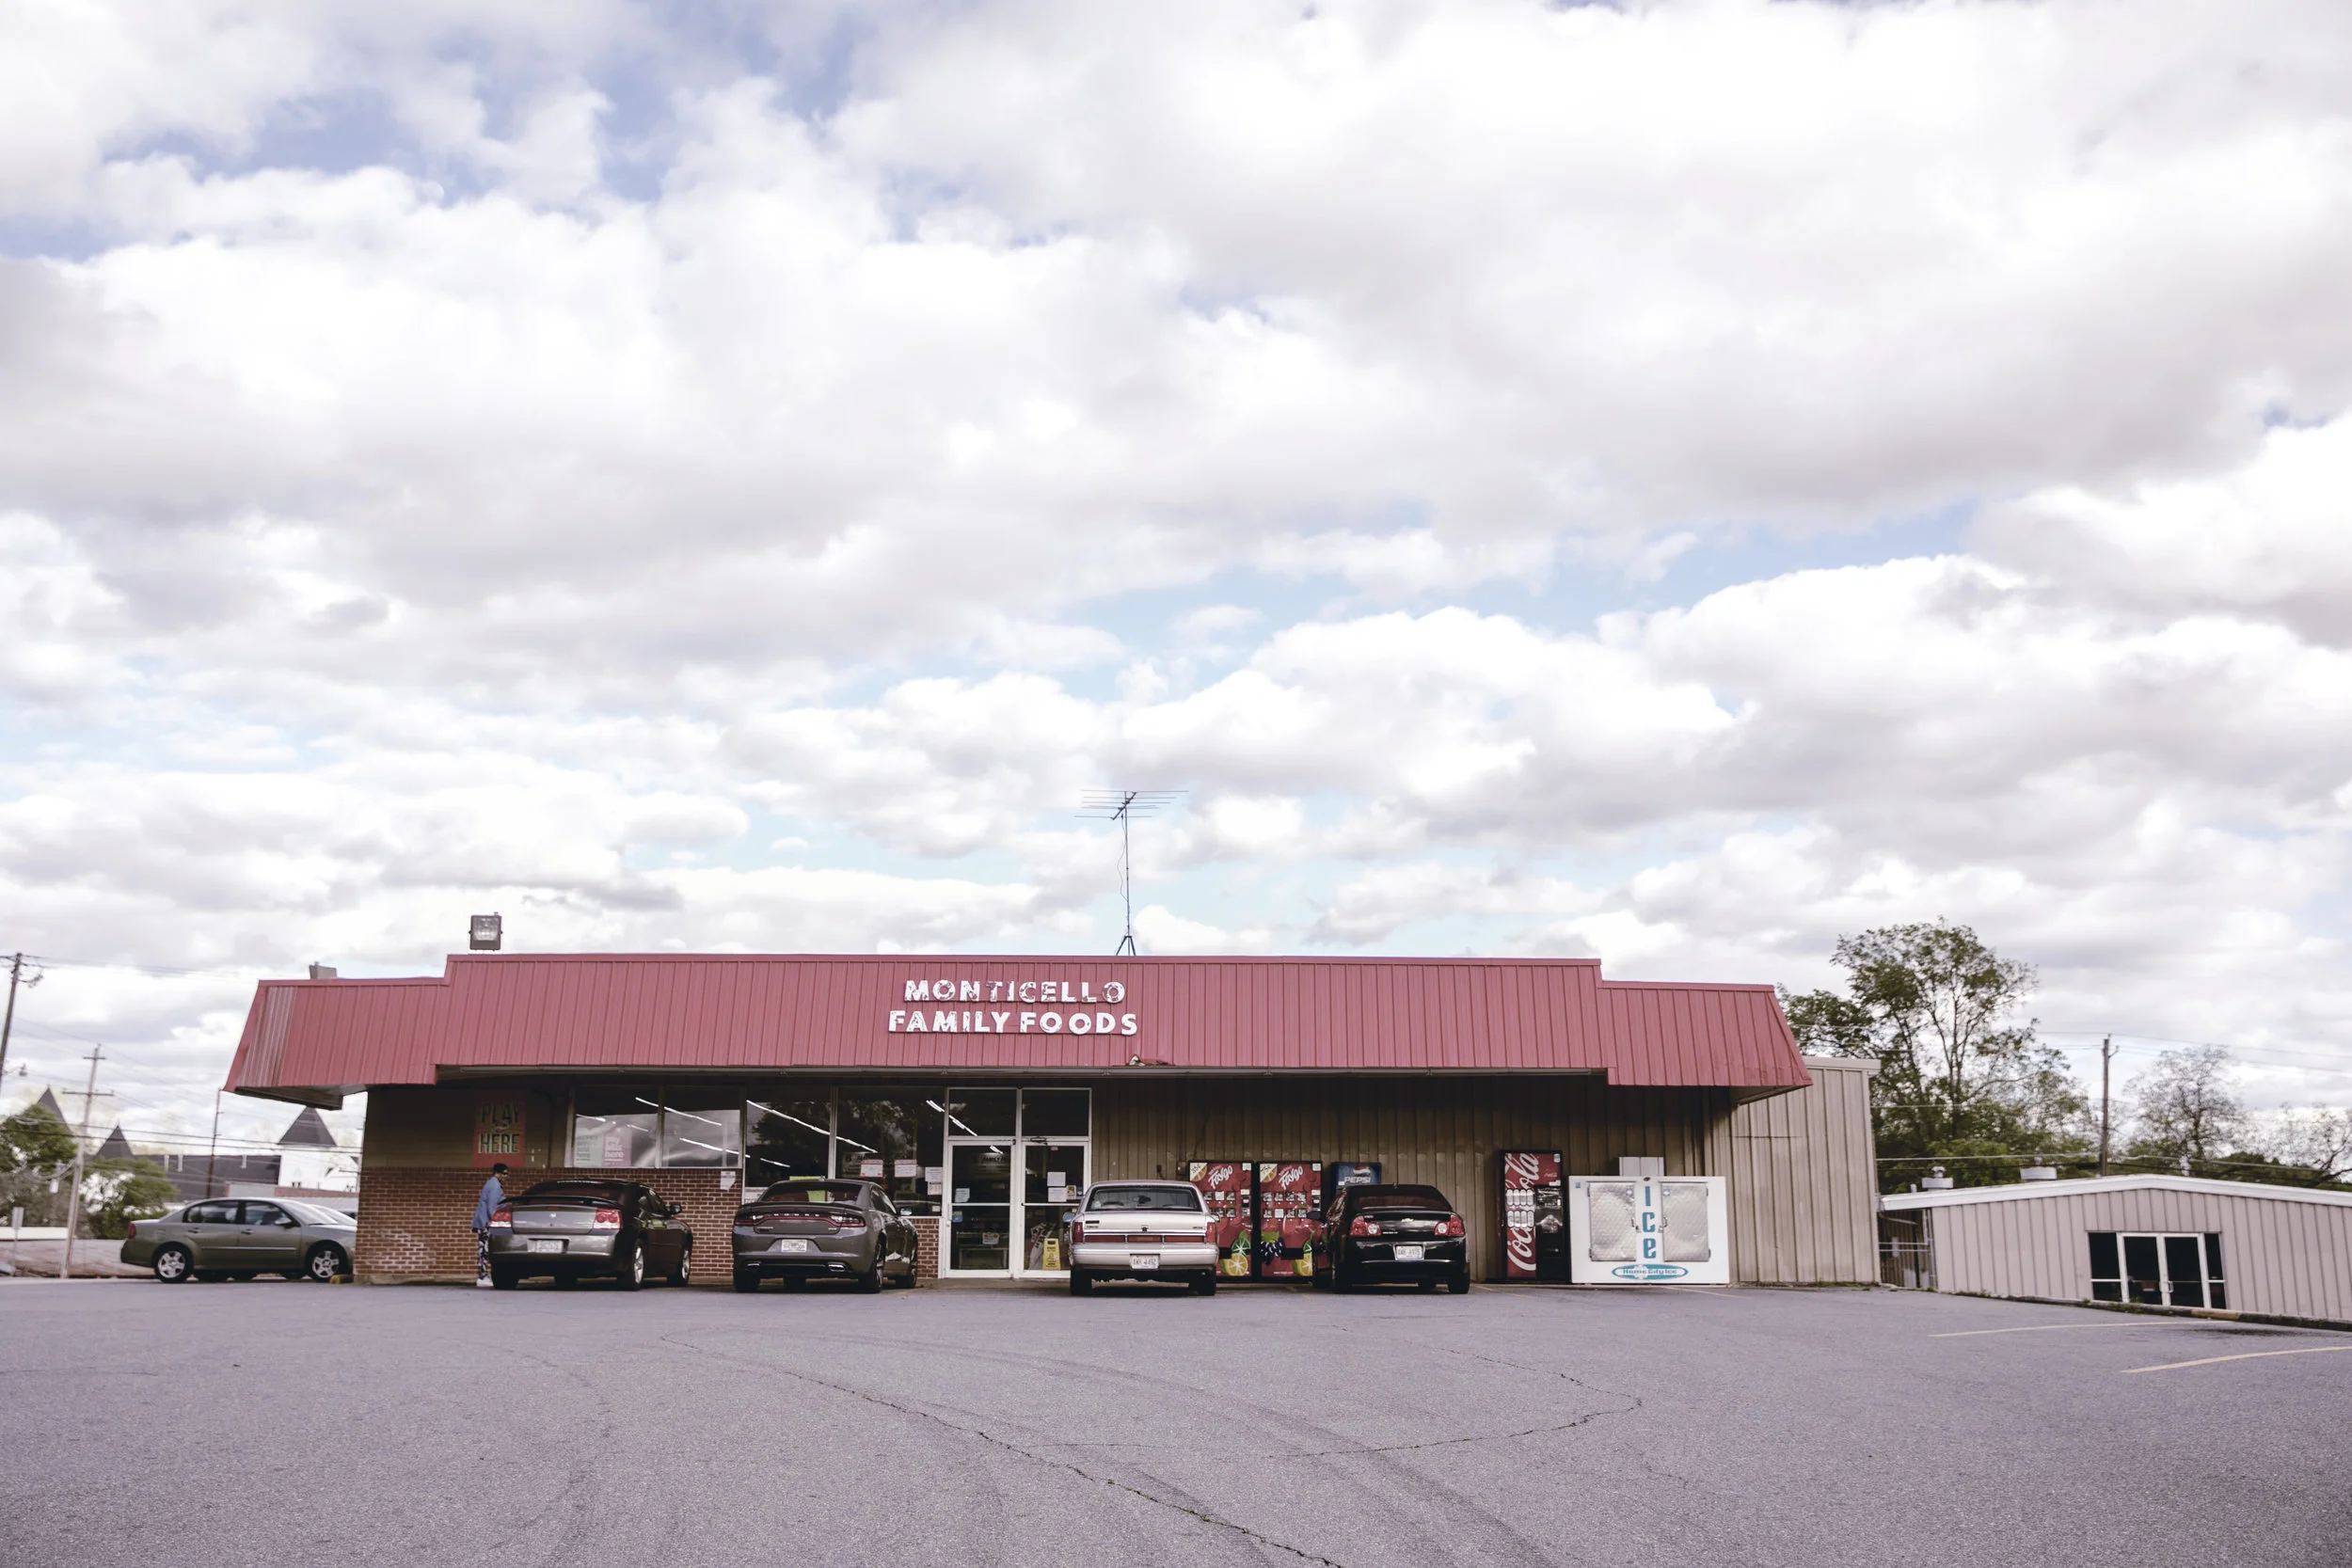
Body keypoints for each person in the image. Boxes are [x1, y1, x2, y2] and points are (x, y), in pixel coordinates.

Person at [472, 1163, 509, 1287]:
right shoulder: (495, 1186)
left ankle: (482, 1276)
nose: (506, 1176)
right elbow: (492, 1207)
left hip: (483, 1221)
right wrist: (495, 1222)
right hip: (486, 1223)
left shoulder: (490, 1184)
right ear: (497, 1173)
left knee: (483, 1250)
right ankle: (482, 1277)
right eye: (504, 1173)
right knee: (485, 1251)